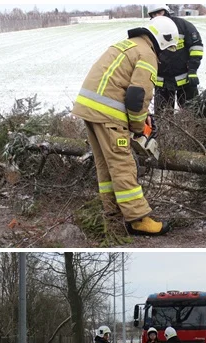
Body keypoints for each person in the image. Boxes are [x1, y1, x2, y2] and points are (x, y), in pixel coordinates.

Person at [71, 16, 179, 236]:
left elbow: (124, 89)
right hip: (107, 113)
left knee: (106, 164)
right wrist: (139, 128)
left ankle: (112, 214)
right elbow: (136, 98)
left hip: (90, 110)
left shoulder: (127, 45)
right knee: (123, 164)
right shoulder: (147, 54)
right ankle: (138, 219)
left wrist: (139, 119)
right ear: (162, 40)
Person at [147, 5, 204, 113]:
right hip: (162, 82)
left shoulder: (183, 26)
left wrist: (192, 70)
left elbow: (196, 47)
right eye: (153, 14)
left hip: (186, 79)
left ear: (167, 11)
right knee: (163, 118)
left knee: (192, 114)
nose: (157, 16)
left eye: (159, 12)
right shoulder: (151, 30)